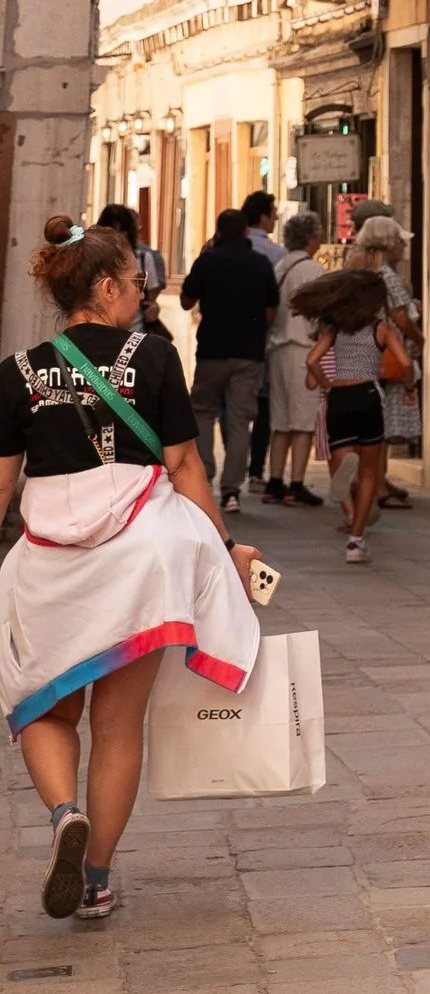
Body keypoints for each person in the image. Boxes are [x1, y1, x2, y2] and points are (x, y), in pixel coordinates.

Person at [0, 214, 261, 923]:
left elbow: (1, 487)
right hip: (139, 567)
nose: (143, 299)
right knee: (119, 727)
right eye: (138, 287)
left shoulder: (17, 374)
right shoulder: (151, 358)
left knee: (47, 711)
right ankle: (94, 880)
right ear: (109, 285)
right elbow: (183, 464)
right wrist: (225, 546)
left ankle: (62, 814)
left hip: (49, 572)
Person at [297, 236, 401, 561]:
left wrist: (328, 385)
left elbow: (311, 361)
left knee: (339, 465)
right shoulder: (378, 328)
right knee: (370, 471)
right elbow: (407, 363)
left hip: (338, 399)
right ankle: (357, 538)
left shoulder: (335, 330)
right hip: (368, 394)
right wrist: (411, 381)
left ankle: (349, 510)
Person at [178, 207, 279, 514]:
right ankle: (232, 490)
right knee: (238, 419)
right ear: (246, 232)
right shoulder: (260, 263)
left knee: (203, 411)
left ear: (218, 231)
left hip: (212, 350)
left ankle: (205, 475)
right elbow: (271, 311)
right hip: (249, 353)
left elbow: (185, 301)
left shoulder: (208, 261)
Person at [350, 209, 422, 505]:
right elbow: (400, 316)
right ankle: (375, 485)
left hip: (362, 354)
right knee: (379, 427)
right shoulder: (385, 273)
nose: (404, 247)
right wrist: (419, 338)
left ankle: (374, 480)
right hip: (386, 355)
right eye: (399, 242)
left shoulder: (361, 266)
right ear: (387, 242)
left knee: (372, 425)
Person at [262, 213, 327, 507]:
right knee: (302, 420)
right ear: (311, 237)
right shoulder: (312, 269)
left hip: (277, 348)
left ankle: (275, 480)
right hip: (302, 348)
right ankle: (297, 482)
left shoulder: (280, 266)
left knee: (281, 420)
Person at [239, 191, 282, 488]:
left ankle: (235, 461)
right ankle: (255, 470)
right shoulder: (276, 254)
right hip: (263, 340)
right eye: (273, 212)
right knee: (264, 404)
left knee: (235, 406)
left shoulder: (219, 248)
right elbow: (275, 304)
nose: (276, 217)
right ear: (262, 216)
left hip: (224, 341)